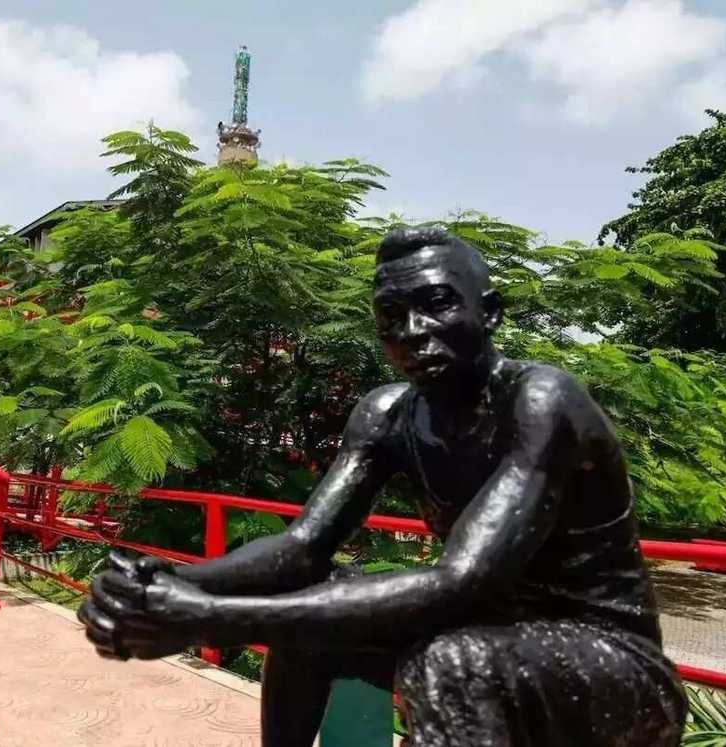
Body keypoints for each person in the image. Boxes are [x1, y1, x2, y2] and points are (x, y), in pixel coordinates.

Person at [78, 226, 687, 746]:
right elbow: (301, 548)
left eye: (438, 305)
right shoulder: (388, 413)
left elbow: (461, 580)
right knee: (317, 608)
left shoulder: (541, 401)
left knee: (452, 663)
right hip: (481, 632)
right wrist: (163, 582)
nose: (415, 331)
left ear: (490, 311)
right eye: (392, 318)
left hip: (612, 665)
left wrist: (209, 617)